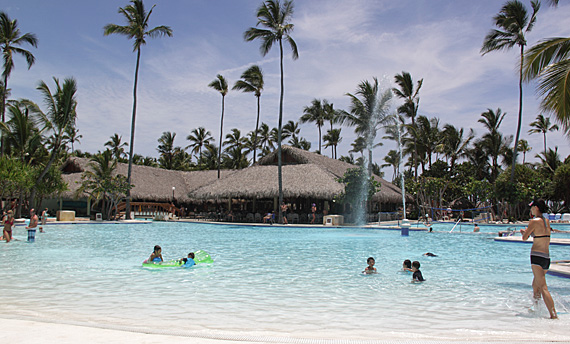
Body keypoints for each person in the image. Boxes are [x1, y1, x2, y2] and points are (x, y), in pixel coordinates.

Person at [520, 199, 557, 319]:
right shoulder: (546, 221)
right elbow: (540, 235)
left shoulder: (533, 221)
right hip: (546, 257)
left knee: (543, 287)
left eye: (531, 207)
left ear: (536, 208)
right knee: (535, 286)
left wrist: (523, 232)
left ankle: (553, 314)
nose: (530, 210)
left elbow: (524, 238)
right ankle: (537, 309)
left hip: (536, 257)